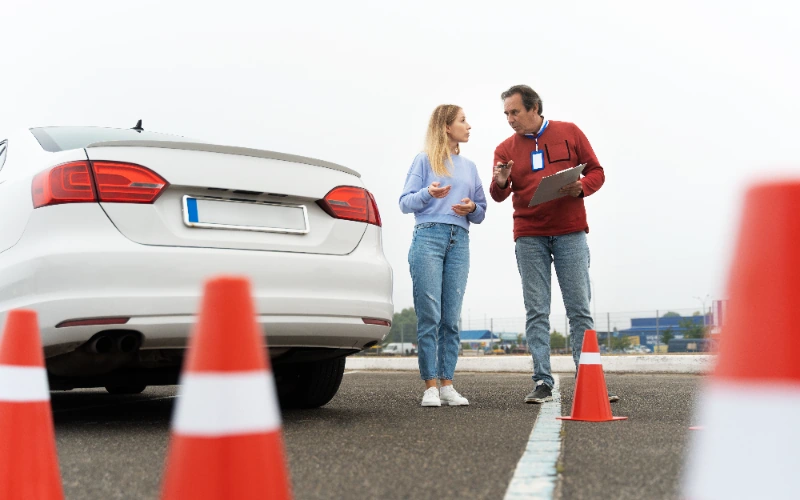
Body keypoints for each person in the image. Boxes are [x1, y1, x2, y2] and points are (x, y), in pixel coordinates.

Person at [489, 85, 618, 404]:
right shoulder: (504, 149)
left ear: (534, 108)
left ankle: (589, 380)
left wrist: (581, 186)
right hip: (529, 235)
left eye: (515, 112)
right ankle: (542, 382)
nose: (510, 119)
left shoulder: (570, 132)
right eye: (506, 114)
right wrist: (501, 182)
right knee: (537, 311)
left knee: (579, 310)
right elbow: (497, 194)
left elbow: (597, 172)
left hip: (570, 232)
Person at [399, 104, 487, 407]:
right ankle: (430, 387)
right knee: (430, 316)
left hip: (459, 240)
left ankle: (447, 384)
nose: (469, 125)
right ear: (446, 126)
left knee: (450, 319)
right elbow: (405, 202)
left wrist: (471, 208)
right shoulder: (424, 160)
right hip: (428, 238)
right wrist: (428, 193)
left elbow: (481, 211)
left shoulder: (470, 167)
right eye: (463, 120)